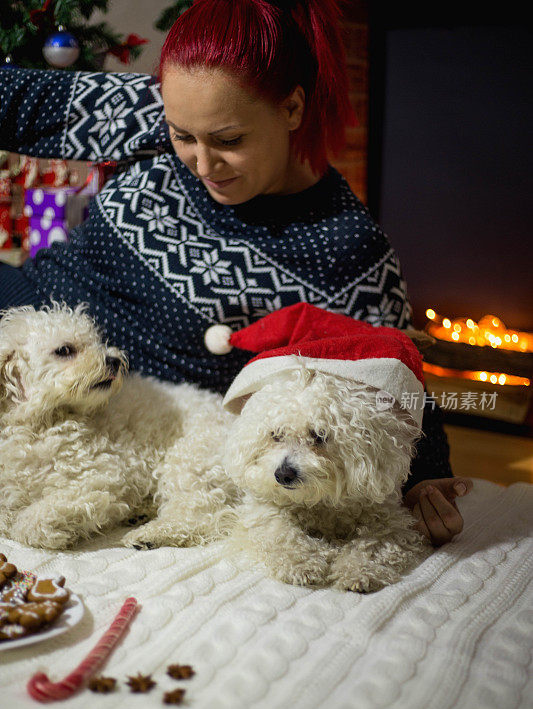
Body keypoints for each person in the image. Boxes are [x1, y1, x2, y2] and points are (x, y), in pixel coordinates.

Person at [0, 0, 472, 544]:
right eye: (182, 136)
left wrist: (428, 473)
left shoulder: (345, 250)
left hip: (133, 408)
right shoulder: (158, 107)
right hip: (28, 318)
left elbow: (398, 370)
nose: (201, 164)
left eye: (229, 141)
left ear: (292, 109)